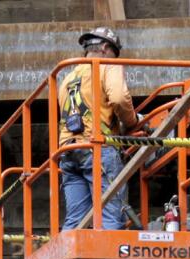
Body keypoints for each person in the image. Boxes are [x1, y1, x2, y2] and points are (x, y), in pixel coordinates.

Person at [57, 27, 145, 230]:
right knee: (111, 215)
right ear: (106, 47)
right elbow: (119, 98)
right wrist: (131, 123)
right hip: (97, 148)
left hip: (68, 151)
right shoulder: (106, 66)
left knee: (75, 220)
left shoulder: (67, 78)